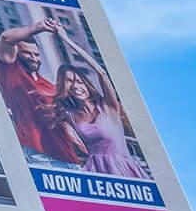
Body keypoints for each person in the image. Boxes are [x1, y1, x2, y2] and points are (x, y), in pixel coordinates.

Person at [46, 41, 149, 179]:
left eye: (79, 81)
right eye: (69, 82)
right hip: (95, 172)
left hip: (123, 169)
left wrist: (66, 40)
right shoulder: (69, 115)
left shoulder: (107, 106)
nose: (76, 86)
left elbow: (102, 73)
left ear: (87, 84)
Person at [0, 14, 66, 156]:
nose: (34, 58)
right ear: (15, 55)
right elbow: (6, 38)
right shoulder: (11, 73)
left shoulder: (49, 86)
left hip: (68, 158)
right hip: (38, 154)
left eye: (36, 55)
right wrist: (39, 27)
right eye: (27, 53)